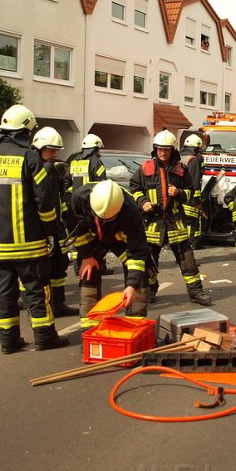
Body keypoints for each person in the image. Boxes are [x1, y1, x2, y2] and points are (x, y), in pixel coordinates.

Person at [0, 104, 68, 354]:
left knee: (4, 295)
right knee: (37, 291)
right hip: (29, 244)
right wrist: (50, 231)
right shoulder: (29, 158)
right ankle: (44, 337)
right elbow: (44, 202)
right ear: (25, 130)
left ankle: (8, 341)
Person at [129, 130, 211, 305]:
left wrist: (180, 192)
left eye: (166, 149)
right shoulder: (145, 169)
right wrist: (142, 201)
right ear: (155, 149)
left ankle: (196, 293)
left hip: (175, 222)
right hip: (152, 222)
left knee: (188, 261)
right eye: (159, 149)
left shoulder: (182, 170)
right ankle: (150, 290)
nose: (162, 153)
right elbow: (134, 188)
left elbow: (191, 191)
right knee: (149, 260)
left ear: (172, 150)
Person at [71, 180, 151, 327]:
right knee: (88, 273)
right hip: (92, 238)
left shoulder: (131, 210)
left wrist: (132, 285)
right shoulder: (79, 199)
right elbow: (75, 229)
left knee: (140, 273)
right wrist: (87, 255)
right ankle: (90, 330)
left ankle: (135, 327)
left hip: (120, 239)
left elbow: (137, 251)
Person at [31, 126, 75, 317]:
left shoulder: (51, 168)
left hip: (55, 225)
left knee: (59, 265)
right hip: (44, 228)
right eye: (52, 150)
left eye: (57, 150)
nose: (55, 154)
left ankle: (58, 304)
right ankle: (43, 306)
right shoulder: (37, 168)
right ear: (40, 148)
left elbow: (57, 200)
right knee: (43, 270)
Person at [68, 133, 112, 274]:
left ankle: (77, 266)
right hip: (91, 205)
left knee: (78, 235)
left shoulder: (74, 160)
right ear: (96, 149)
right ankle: (100, 266)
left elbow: (66, 183)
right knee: (96, 235)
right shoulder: (96, 162)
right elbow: (102, 184)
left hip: (75, 205)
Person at [181, 133, 205, 248]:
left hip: (177, 195)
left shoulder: (179, 157)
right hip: (189, 199)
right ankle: (188, 246)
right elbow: (194, 182)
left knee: (180, 222)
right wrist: (196, 201)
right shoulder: (194, 160)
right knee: (191, 222)